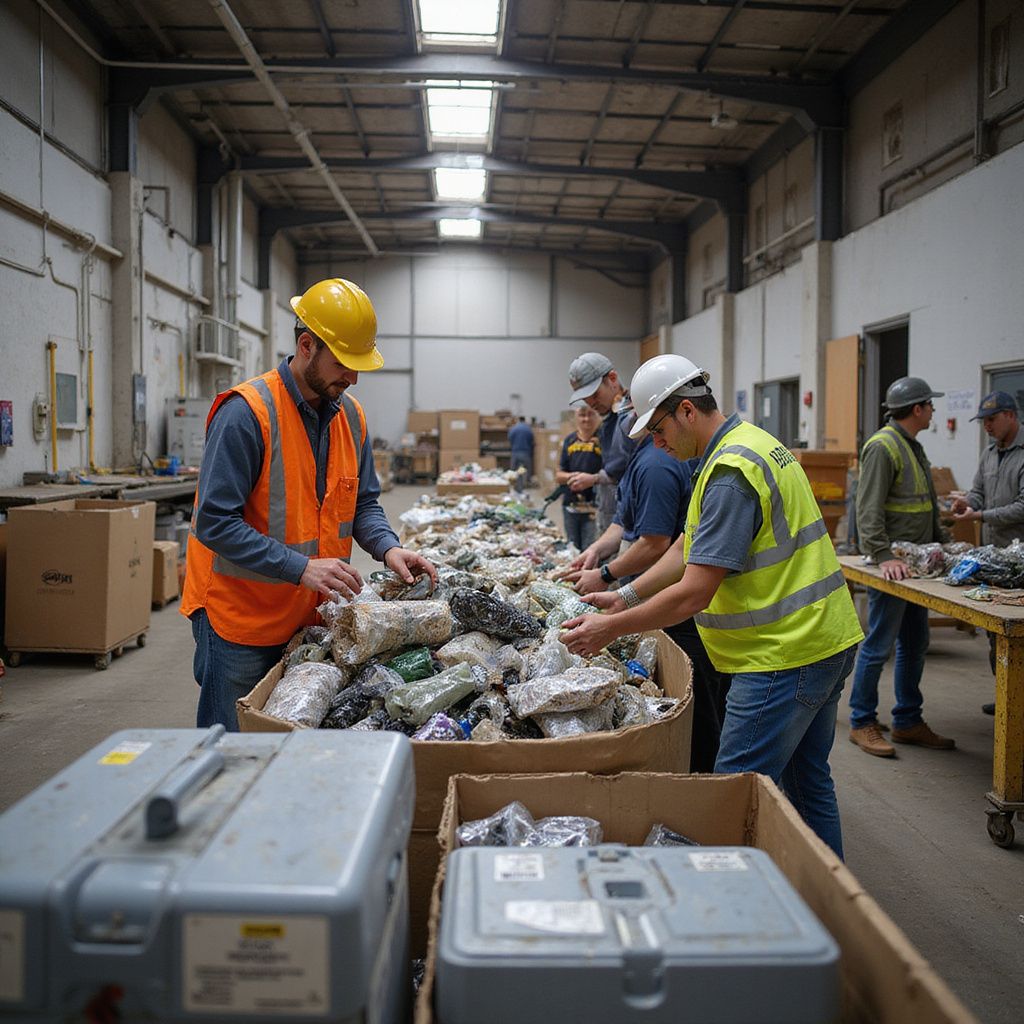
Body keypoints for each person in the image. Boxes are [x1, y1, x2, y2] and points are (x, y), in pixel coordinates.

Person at [561, 354, 863, 857]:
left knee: (729, 792)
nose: (656, 444)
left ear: (685, 411)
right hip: (822, 639)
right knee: (809, 786)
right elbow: (685, 546)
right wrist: (625, 594)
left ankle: (734, 908)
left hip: (782, 656)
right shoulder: (740, 446)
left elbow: (696, 589)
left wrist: (611, 628)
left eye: (657, 431)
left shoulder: (729, 472)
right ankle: (824, 900)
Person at [181, 278, 437, 731]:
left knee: (289, 748)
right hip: (241, 619)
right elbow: (214, 523)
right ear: (306, 346)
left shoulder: (350, 416)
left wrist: (388, 547)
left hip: (309, 618)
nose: (353, 378)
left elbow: (363, 503)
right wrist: (302, 567)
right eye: (343, 364)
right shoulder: (247, 413)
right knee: (232, 751)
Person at [848, 376, 955, 757]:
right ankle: (862, 721)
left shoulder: (912, 446)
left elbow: (924, 502)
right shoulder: (882, 446)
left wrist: (943, 543)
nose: (933, 411)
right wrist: (882, 555)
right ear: (917, 409)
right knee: (878, 645)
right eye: (930, 405)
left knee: (915, 641)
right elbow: (868, 509)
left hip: (915, 565)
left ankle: (908, 720)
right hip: (892, 565)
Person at [950, 391, 1024, 714]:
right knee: (996, 635)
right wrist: (967, 503)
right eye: (983, 422)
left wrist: (979, 516)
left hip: (1021, 562)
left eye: (991, 420)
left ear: (1011, 416)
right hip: (995, 562)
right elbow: (978, 492)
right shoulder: (989, 454)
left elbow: (1023, 506)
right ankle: (1008, 697)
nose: (987, 427)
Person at [566, 352, 638, 532]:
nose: (591, 403)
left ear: (612, 378)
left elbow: (627, 467)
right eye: (585, 399)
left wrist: (595, 478)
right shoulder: (608, 422)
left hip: (632, 522)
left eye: (595, 394)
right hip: (611, 516)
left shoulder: (633, 419)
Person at [556, 405, 602, 551]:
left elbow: (613, 473)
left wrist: (592, 479)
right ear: (576, 418)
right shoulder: (569, 441)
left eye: (590, 414)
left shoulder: (603, 440)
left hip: (595, 506)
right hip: (571, 504)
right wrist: (573, 477)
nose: (586, 419)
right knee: (572, 547)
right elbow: (559, 475)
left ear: (597, 417)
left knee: (590, 548)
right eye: (582, 415)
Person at [508, 416, 535, 492]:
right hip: (525, 453)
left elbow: (510, 439)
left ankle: (515, 486)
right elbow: (531, 441)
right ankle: (523, 485)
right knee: (523, 469)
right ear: (524, 420)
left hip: (515, 452)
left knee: (515, 470)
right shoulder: (528, 429)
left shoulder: (513, 428)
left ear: (518, 420)